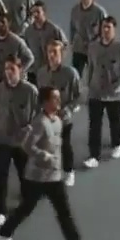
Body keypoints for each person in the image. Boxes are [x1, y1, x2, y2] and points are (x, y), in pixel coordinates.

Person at [0, 87, 93, 240]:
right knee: (26, 208)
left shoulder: (57, 121)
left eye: (58, 97)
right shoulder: (39, 123)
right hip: (37, 177)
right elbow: (27, 145)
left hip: (54, 175)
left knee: (63, 209)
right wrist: (44, 156)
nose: (59, 101)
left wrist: (57, 165)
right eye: (54, 98)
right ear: (45, 102)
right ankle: (4, 233)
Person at [0, 55, 39, 226]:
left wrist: (30, 130)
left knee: (24, 173)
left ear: (20, 70)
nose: (9, 72)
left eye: (12, 69)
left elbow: (39, 115)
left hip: (22, 142)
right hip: (3, 139)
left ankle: (27, 202)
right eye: (6, 69)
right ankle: (0, 211)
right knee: (0, 175)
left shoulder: (30, 91)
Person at [83, 16, 120, 169]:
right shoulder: (93, 47)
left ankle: (116, 144)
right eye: (103, 27)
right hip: (96, 93)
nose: (105, 30)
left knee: (115, 122)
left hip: (114, 95)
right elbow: (90, 67)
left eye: (109, 27)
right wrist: (88, 85)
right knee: (94, 125)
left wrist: (119, 83)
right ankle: (94, 155)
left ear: (114, 30)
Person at [0, 15, 34, 158]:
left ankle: (16, 142)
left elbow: (30, 58)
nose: (0, 25)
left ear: (8, 24)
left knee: (10, 113)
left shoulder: (17, 42)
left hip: (10, 84)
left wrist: (19, 71)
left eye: (3, 23)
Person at [34, 39, 83, 186]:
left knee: (64, 146)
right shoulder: (41, 73)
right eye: (49, 51)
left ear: (62, 54)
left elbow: (79, 96)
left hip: (63, 119)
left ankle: (69, 171)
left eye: (55, 52)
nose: (51, 55)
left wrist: (69, 109)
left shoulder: (70, 73)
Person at [22, 1, 66, 83]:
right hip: (33, 71)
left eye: (38, 12)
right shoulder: (28, 31)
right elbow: (25, 49)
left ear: (44, 13)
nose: (35, 15)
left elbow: (64, 45)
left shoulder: (54, 29)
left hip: (48, 71)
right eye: (33, 12)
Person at [68, 0, 107, 74]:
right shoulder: (75, 10)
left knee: (94, 75)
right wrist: (72, 42)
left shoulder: (100, 12)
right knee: (76, 74)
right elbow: (72, 27)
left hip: (94, 49)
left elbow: (105, 30)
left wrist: (99, 44)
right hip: (78, 48)